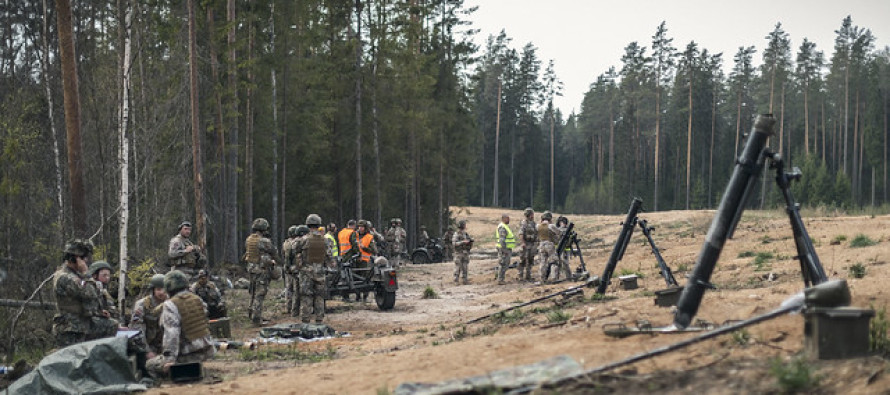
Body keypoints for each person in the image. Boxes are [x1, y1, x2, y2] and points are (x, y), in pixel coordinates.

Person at [145, 270, 215, 380]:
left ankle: (168, 384)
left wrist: (169, 360)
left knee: (149, 365)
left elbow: (172, 334)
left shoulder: (171, 304)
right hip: (207, 351)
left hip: (188, 354)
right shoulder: (197, 299)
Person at [52, 239, 117, 347]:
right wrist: (86, 273)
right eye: (82, 258)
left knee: (112, 325)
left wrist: (98, 312)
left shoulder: (76, 274)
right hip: (71, 328)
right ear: (74, 258)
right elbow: (89, 292)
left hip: (83, 323)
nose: (85, 261)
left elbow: (94, 295)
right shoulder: (65, 277)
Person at [294, 214, 335, 324]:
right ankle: (319, 319)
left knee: (306, 295)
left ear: (308, 224)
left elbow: (295, 251)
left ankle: (306, 319)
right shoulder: (325, 240)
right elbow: (330, 256)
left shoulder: (303, 240)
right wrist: (331, 265)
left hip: (306, 271)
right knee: (320, 296)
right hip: (320, 271)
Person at [242, 217, 280, 326]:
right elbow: (274, 251)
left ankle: (252, 313)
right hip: (261, 270)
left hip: (251, 269)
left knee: (253, 292)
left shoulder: (249, 239)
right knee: (260, 294)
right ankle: (256, 318)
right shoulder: (264, 240)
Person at [131, 274, 168, 358]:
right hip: (149, 346)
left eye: (164, 289)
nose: (162, 292)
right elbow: (137, 329)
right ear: (153, 290)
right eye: (158, 289)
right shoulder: (142, 305)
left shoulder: (171, 303)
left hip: (168, 345)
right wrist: (147, 351)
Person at [282, 225, 307, 317]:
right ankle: (295, 310)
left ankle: (288, 307)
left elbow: (284, 256)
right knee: (296, 290)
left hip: (288, 268)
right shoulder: (296, 243)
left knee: (288, 289)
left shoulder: (286, 243)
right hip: (295, 268)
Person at [537, 211, 563, 282]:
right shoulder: (551, 226)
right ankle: (554, 278)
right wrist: (561, 227)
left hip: (541, 245)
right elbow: (560, 233)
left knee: (543, 262)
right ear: (549, 218)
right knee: (554, 261)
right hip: (549, 244)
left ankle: (542, 279)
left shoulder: (538, 226)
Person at [517, 207, 538, 282]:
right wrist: (523, 243)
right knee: (522, 260)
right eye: (532, 214)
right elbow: (521, 234)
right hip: (525, 244)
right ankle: (520, 276)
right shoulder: (524, 223)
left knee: (530, 260)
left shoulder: (533, 223)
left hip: (532, 244)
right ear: (529, 215)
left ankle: (528, 276)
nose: (533, 216)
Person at [495, 214, 515, 285]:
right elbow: (502, 240)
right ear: (504, 219)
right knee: (503, 263)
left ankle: (500, 277)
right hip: (504, 248)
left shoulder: (505, 226)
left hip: (507, 248)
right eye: (507, 218)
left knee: (506, 264)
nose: (509, 220)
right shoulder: (502, 227)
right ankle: (500, 279)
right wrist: (504, 250)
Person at [451, 220, 473, 284]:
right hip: (459, 253)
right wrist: (462, 242)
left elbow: (468, 239)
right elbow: (454, 243)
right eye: (464, 224)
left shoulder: (465, 233)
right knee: (457, 267)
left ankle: (465, 280)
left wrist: (470, 241)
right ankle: (456, 281)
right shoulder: (456, 234)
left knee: (465, 267)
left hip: (465, 253)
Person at [553, 216, 573, 281]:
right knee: (559, 264)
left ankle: (568, 277)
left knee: (564, 263)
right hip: (560, 249)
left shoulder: (563, 230)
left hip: (564, 249)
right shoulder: (565, 230)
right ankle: (558, 277)